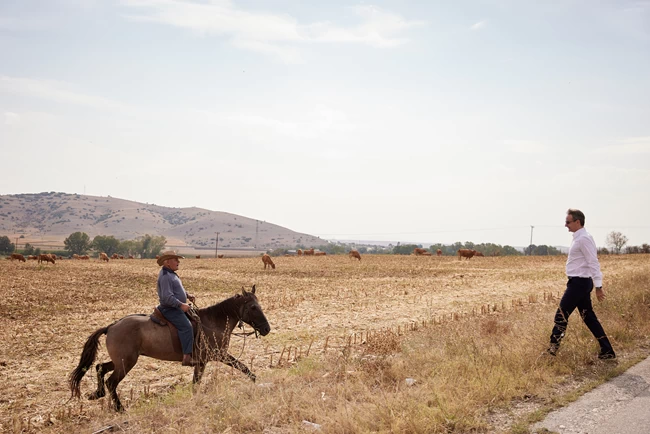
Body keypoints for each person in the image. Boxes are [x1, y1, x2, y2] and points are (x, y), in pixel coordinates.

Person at [547, 209, 616, 359]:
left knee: (561, 315)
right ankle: (607, 350)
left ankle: (552, 350)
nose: (565, 225)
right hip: (579, 282)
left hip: (579, 283)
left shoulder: (584, 239)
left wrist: (599, 286)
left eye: (568, 222)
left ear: (577, 222)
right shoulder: (578, 237)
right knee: (588, 317)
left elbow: (593, 262)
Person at [156, 250, 197, 366]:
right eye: (175, 260)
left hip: (175, 307)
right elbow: (167, 297)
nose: (178, 262)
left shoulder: (171, 274)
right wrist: (181, 305)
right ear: (167, 262)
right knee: (187, 327)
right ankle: (187, 357)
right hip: (170, 309)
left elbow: (177, 289)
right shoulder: (165, 276)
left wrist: (187, 295)